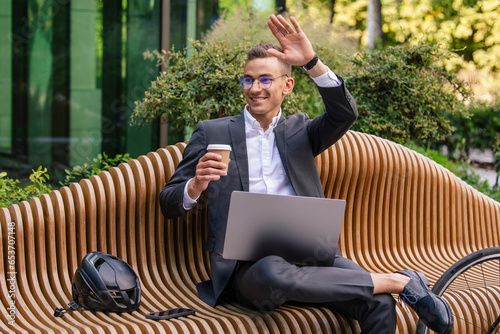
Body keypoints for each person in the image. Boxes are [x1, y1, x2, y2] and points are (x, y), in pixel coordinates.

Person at [160, 14, 453, 334]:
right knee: (273, 271)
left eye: (265, 79)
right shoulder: (212, 132)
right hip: (250, 271)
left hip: (313, 259)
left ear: (287, 85)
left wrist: (311, 61)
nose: (254, 88)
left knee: (379, 304)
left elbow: (345, 113)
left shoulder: (301, 131)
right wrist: (195, 184)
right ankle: (399, 281)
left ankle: (391, 285)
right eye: (248, 79)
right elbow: (168, 202)